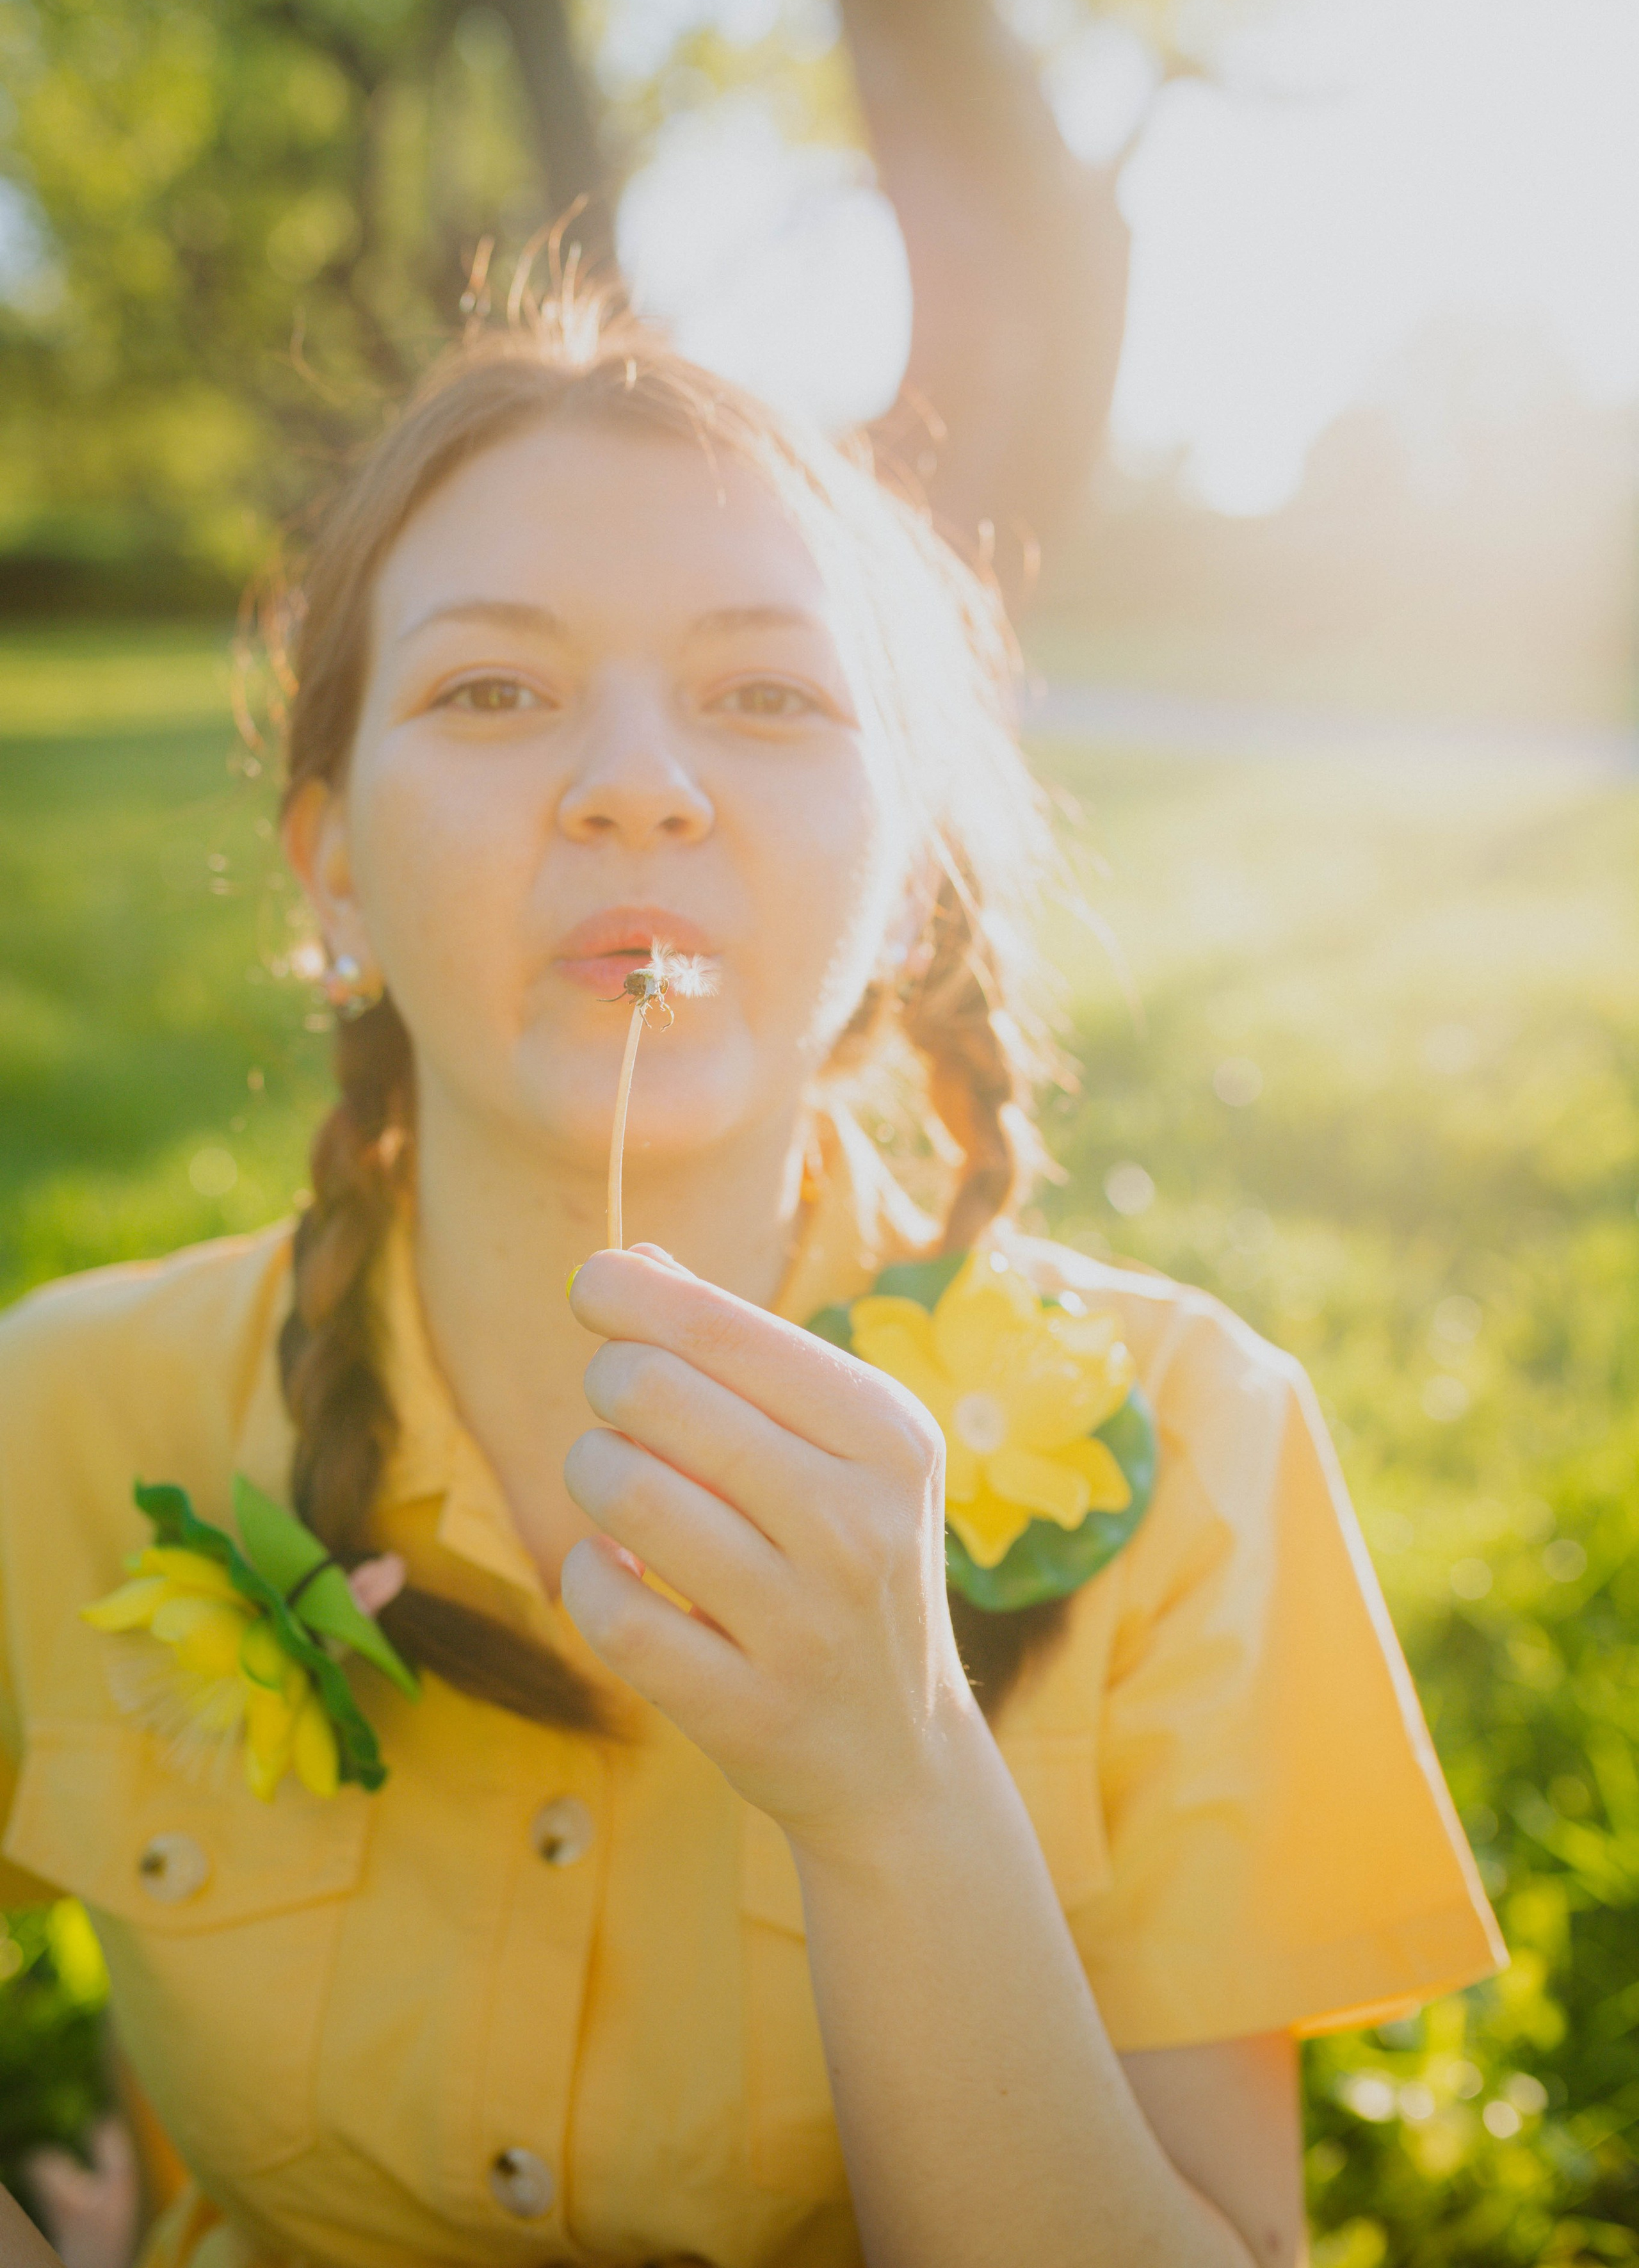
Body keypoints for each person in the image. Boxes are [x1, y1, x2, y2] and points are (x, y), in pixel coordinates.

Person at [0, 293, 1501, 2268]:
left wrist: (897, 1796)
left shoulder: (1202, 1448)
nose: (641, 787)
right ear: (333, 871)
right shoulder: (66, 1407)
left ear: (902, 877)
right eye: (492, 694)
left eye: (767, 698)